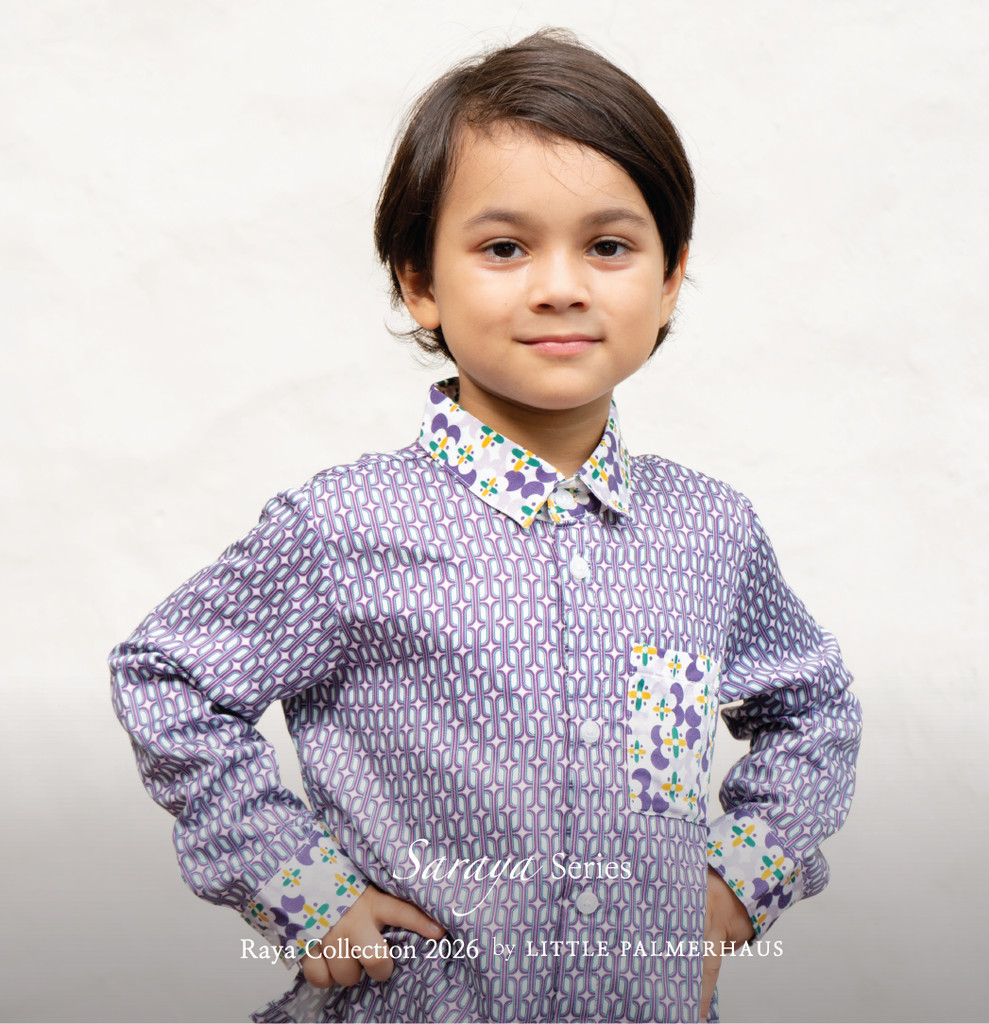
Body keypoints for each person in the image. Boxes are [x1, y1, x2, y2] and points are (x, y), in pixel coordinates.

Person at [110, 29, 860, 1024]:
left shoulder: (708, 532)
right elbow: (169, 677)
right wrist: (297, 885)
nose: (560, 285)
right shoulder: (346, 527)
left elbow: (812, 709)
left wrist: (733, 887)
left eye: (609, 246)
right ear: (419, 281)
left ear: (670, 276)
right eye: (505, 248)